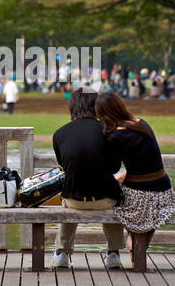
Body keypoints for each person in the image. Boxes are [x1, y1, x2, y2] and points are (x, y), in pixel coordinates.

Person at [95, 91, 175, 259]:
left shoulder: (114, 136)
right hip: (164, 191)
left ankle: (130, 241)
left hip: (141, 195)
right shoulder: (142, 124)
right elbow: (146, 162)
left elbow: (112, 168)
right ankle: (137, 247)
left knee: (108, 196)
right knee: (146, 219)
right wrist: (125, 176)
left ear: (102, 114)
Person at [51, 87, 125, 269]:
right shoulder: (109, 131)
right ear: (96, 106)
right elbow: (115, 168)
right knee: (118, 198)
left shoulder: (59, 134)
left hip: (73, 199)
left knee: (66, 201)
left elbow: (65, 167)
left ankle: (62, 252)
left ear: (73, 106)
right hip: (105, 199)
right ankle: (114, 253)